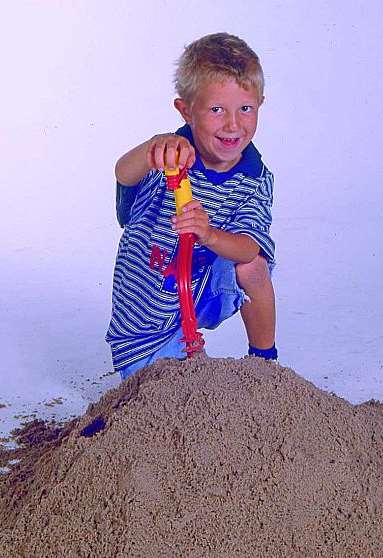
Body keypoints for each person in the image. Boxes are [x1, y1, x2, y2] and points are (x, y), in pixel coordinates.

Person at [106, 32, 277, 380]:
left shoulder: (254, 177)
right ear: (186, 111)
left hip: (205, 288)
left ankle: (265, 365)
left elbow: (249, 246)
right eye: (216, 110)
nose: (233, 124)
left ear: (260, 103)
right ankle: (172, 346)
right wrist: (153, 148)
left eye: (245, 109)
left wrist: (209, 234)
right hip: (147, 314)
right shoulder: (168, 156)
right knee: (163, 388)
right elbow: (123, 173)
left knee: (254, 267)